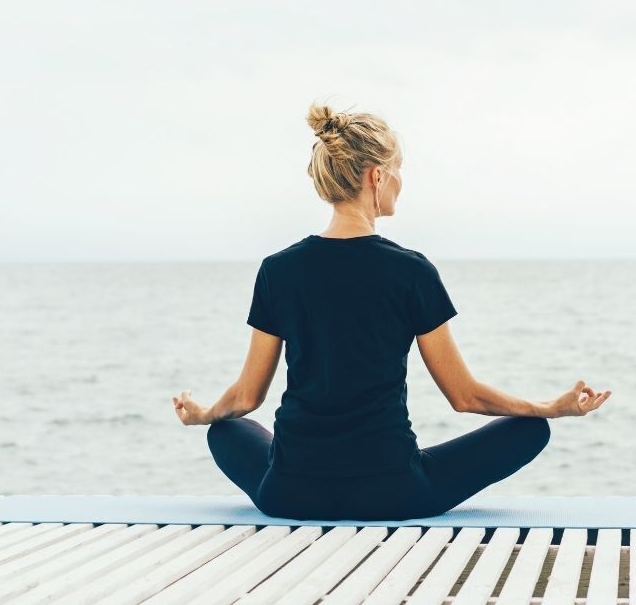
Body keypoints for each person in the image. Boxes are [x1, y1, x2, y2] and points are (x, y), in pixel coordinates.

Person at [173, 100, 611, 520]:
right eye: (399, 169)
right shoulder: (411, 271)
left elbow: (247, 398)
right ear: (377, 176)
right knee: (531, 429)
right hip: (394, 492)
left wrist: (203, 414)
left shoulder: (277, 270)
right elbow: (464, 397)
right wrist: (551, 408)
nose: (403, 180)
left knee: (224, 430)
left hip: (291, 491)